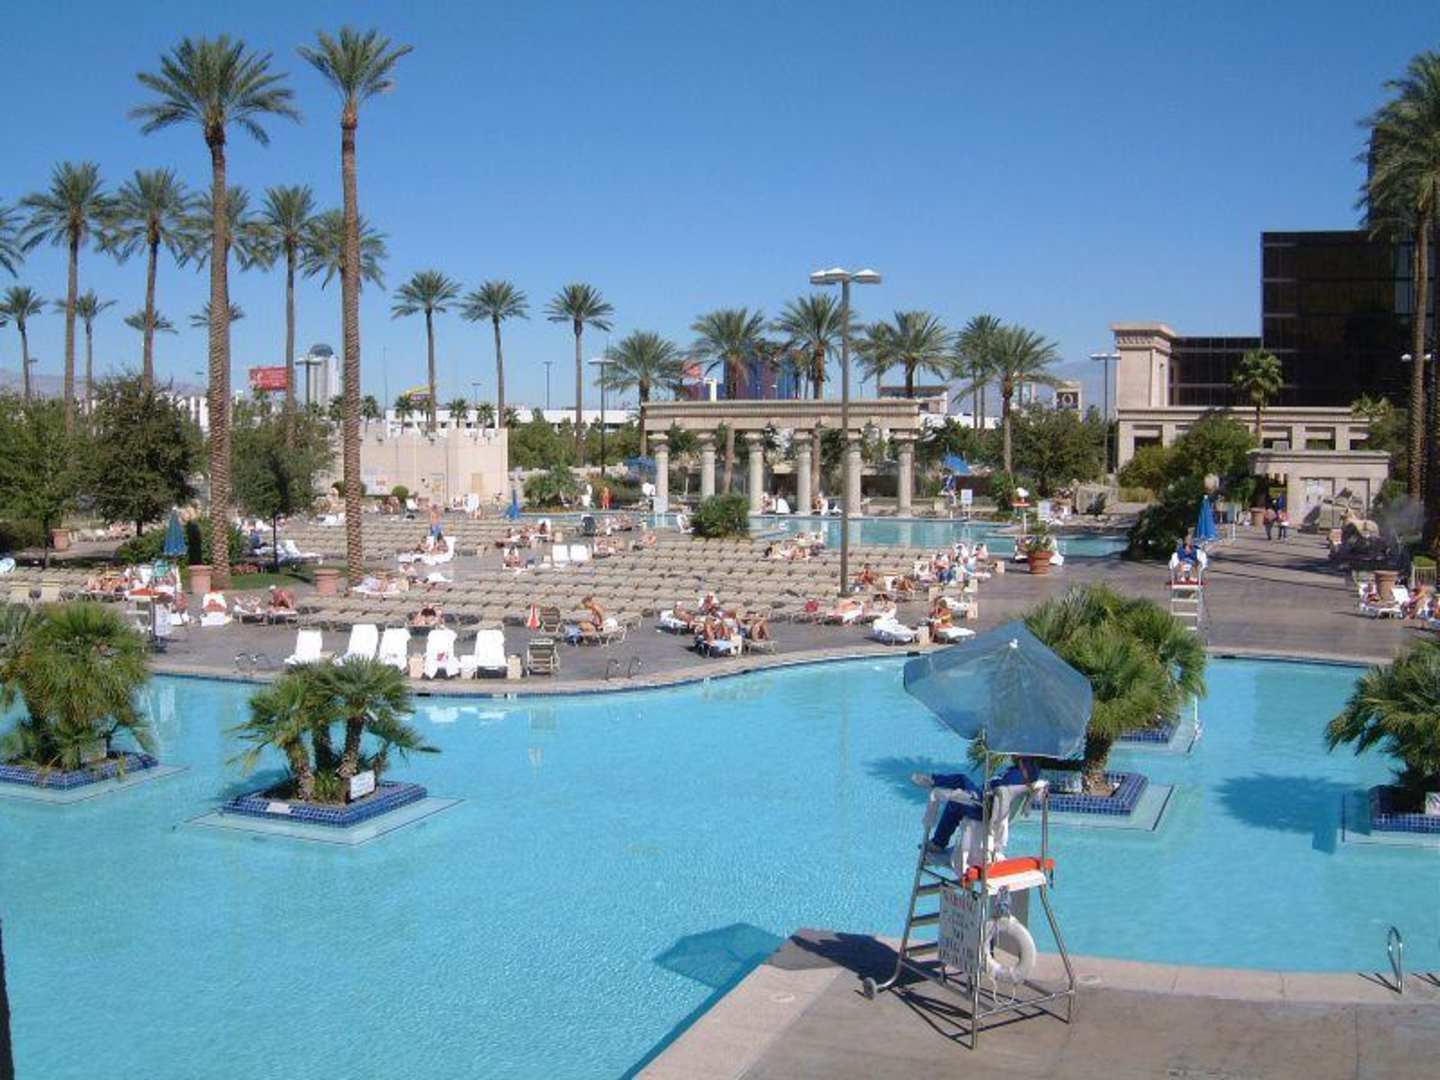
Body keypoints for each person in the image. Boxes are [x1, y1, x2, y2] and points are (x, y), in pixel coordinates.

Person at [913, 756, 1039, 854]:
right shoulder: (1017, 772)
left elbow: (1004, 792)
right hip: (983, 801)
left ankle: (933, 780)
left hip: (984, 805)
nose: (1012, 755)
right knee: (956, 801)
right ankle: (938, 843)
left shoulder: (1019, 775)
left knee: (961, 781)